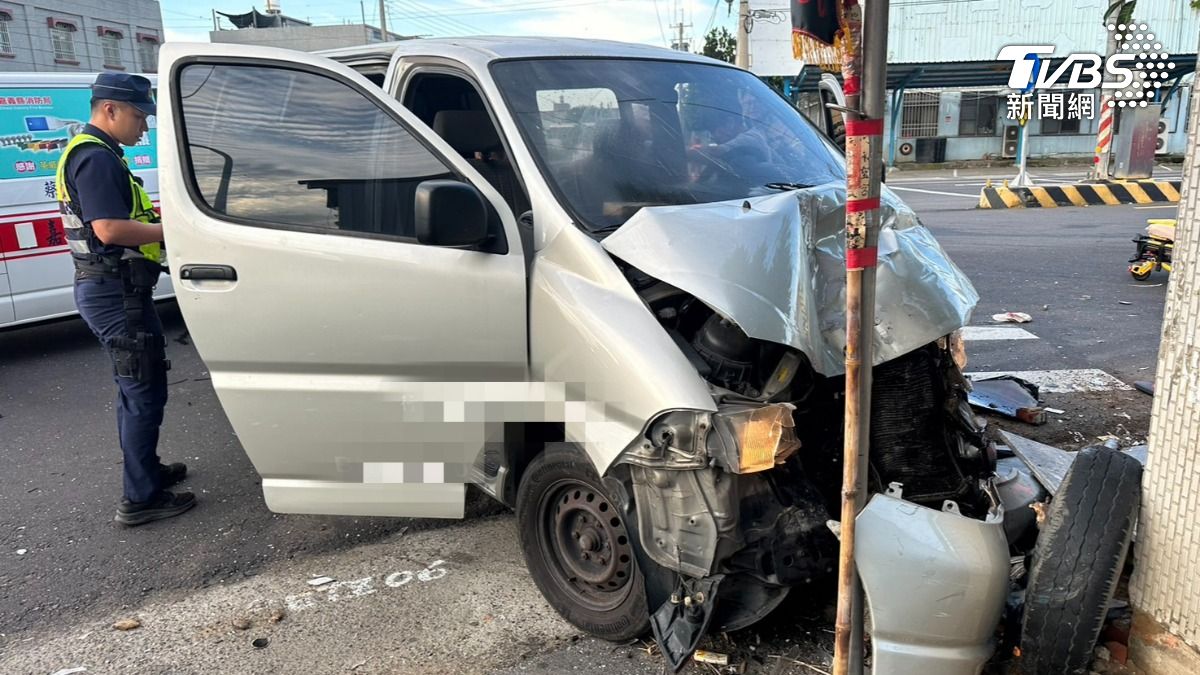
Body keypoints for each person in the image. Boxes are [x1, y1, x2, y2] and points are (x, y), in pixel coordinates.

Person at [56, 73, 196, 526]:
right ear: (110, 109)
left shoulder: (98, 152)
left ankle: (146, 472)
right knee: (143, 390)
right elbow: (110, 230)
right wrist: (176, 231)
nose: (145, 127)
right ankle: (140, 499)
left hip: (114, 289)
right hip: (112, 291)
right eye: (139, 115)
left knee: (135, 387)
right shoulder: (95, 158)